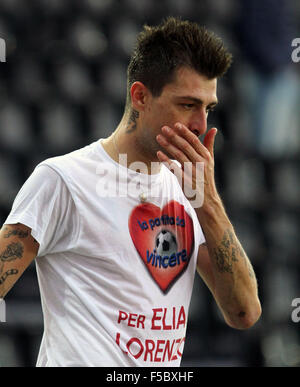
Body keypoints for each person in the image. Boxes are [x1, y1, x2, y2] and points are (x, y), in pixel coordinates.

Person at [0, 17, 261, 367]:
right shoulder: (63, 179)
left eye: (208, 108)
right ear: (140, 96)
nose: (201, 125)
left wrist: (209, 203)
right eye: (187, 105)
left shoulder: (190, 190)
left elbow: (244, 312)